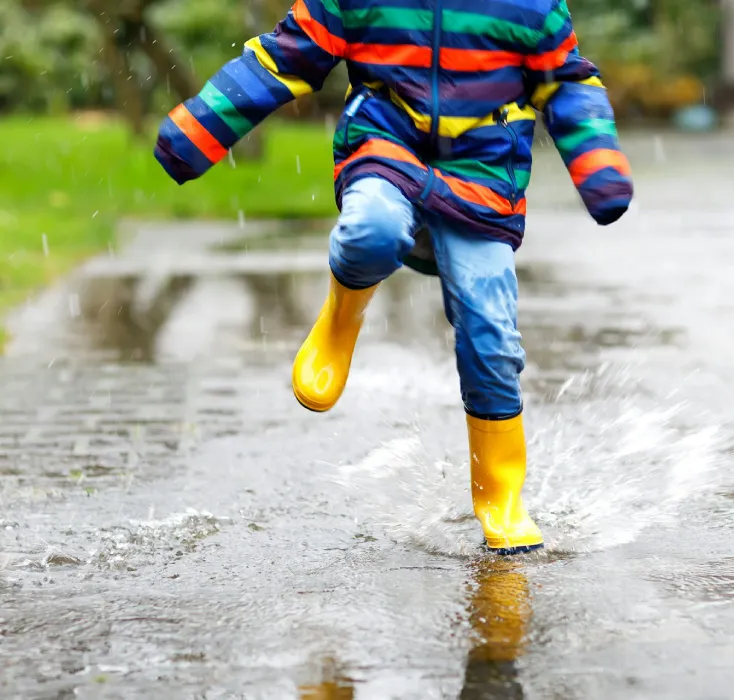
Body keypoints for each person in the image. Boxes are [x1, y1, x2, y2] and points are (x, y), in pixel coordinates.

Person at [153, 0, 634, 554]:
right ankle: (341, 317)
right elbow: (284, 57)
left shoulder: (531, 6)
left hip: (482, 177)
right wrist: (201, 126)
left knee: (491, 334)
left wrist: (597, 161)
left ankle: (500, 495)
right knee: (371, 230)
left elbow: (567, 82)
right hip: (385, 149)